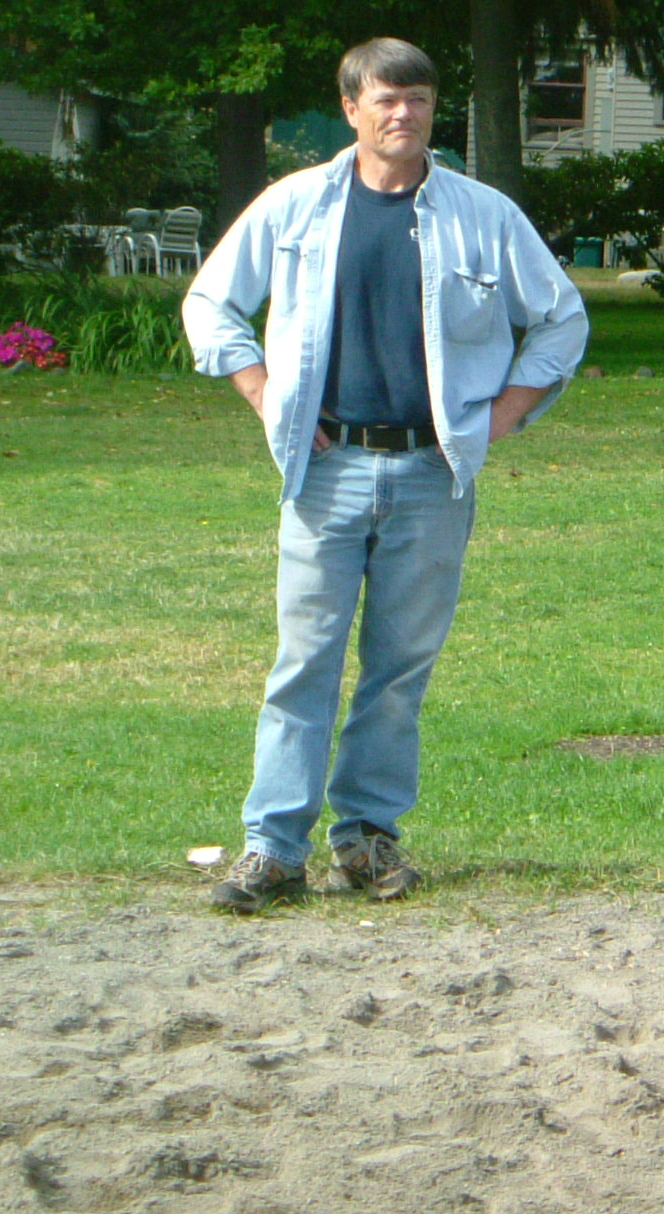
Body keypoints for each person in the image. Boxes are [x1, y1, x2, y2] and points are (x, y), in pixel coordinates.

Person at [183, 37, 587, 912]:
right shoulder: (295, 206)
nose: (404, 114)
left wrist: (502, 415)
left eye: (419, 99)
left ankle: (366, 839)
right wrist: (263, 393)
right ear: (351, 109)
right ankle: (273, 849)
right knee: (304, 663)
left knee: (399, 670)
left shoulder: (484, 215)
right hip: (325, 474)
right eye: (386, 99)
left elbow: (562, 320)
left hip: (431, 476)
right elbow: (210, 301)